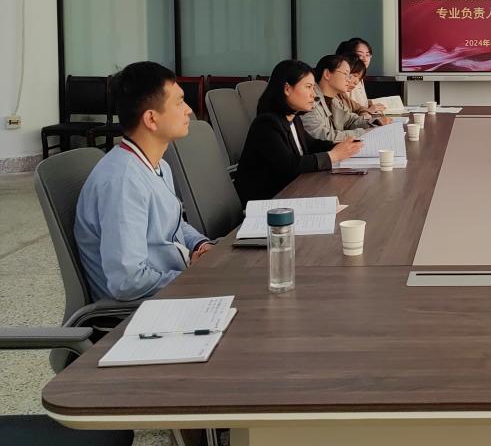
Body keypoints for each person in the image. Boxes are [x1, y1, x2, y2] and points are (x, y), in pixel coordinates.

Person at [75, 62, 213, 301]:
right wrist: (191, 275)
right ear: (151, 119)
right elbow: (128, 282)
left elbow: (174, 225)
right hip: (142, 308)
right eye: (179, 102)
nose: (188, 110)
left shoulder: (157, 164)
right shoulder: (123, 182)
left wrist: (201, 245)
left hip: (172, 284)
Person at [234, 59, 362, 205]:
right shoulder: (266, 124)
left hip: (291, 194)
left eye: (313, 88)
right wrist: (333, 155)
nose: (313, 94)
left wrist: (344, 147)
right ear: (287, 89)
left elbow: (313, 145)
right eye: (308, 87)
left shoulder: (293, 119)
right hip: (268, 203)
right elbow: (289, 166)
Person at [301, 54, 390, 143]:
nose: (349, 79)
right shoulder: (309, 101)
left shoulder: (333, 100)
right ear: (327, 74)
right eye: (346, 74)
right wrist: (364, 132)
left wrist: (375, 122)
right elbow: (324, 136)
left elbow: (350, 120)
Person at [335, 37, 384, 114]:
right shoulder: (347, 78)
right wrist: (367, 111)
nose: (365, 59)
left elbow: (356, 104)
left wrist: (369, 103)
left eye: (367, 55)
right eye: (360, 55)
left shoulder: (360, 76)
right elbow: (347, 110)